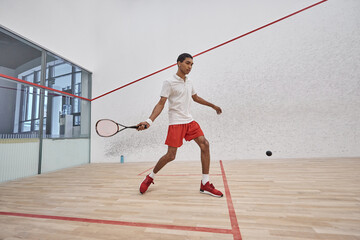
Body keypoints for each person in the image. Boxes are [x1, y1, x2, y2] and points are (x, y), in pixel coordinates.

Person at [137, 53, 223, 197]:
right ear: (179, 63)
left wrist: (213, 106)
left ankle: (205, 183)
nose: (190, 67)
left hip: (189, 121)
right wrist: (149, 121)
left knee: (205, 144)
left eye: (192, 64)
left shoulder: (189, 82)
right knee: (171, 156)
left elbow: (195, 97)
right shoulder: (169, 82)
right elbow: (161, 103)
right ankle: (150, 177)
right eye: (187, 63)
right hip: (176, 122)